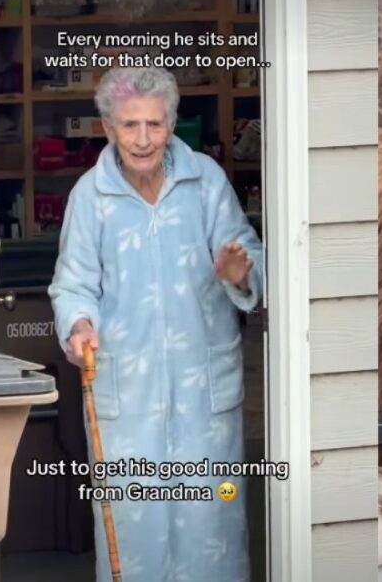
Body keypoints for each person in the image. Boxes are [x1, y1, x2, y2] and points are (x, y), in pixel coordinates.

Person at [49, 67, 263, 581]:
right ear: (108, 128)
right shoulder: (90, 196)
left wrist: (241, 272)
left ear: (171, 125)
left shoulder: (205, 181)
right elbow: (73, 283)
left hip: (202, 391)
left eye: (154, 124)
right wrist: (79, 324)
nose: (143, 139)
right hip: (127, 390)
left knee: (209, 521)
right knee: (132, 529)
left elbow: (248, 252)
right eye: (129, 125)